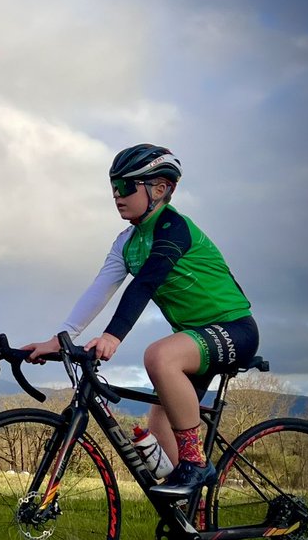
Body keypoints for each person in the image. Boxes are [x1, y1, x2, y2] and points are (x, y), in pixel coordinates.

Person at [22, 144, 259, 501]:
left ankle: (196, 462)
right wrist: (60, 339)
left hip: (235, 330)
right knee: (160, 422)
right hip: (196, 337)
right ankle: (191, 525)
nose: (117, 194)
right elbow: (98, 291)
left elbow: (146, 282)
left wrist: (113, 336)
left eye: (127, 186)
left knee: (159, 357)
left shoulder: (173, 228)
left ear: (160, 189)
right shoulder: (127, 243)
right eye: (114, 186)